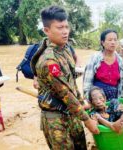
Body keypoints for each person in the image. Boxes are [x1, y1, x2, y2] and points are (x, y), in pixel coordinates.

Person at [30, 5, 99, 150]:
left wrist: (82, 103)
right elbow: (65, 93)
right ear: (46, 30)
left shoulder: (65, 49)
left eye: (66, 27)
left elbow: (71, 83)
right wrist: (87, 120)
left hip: (73, 113)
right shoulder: (49, 61)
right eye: (60, 27)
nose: (65, 31)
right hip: (56, 119)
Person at [83, 29, 123, 102]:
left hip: (113, 98)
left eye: (115, 40)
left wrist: (119, 100)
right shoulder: (95, 58)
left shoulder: (120, 60)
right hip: (97, 99)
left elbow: (121, 84)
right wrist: (88, 99)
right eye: (110, 40)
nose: (113, 42)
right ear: (103, 42)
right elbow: (87, 81)